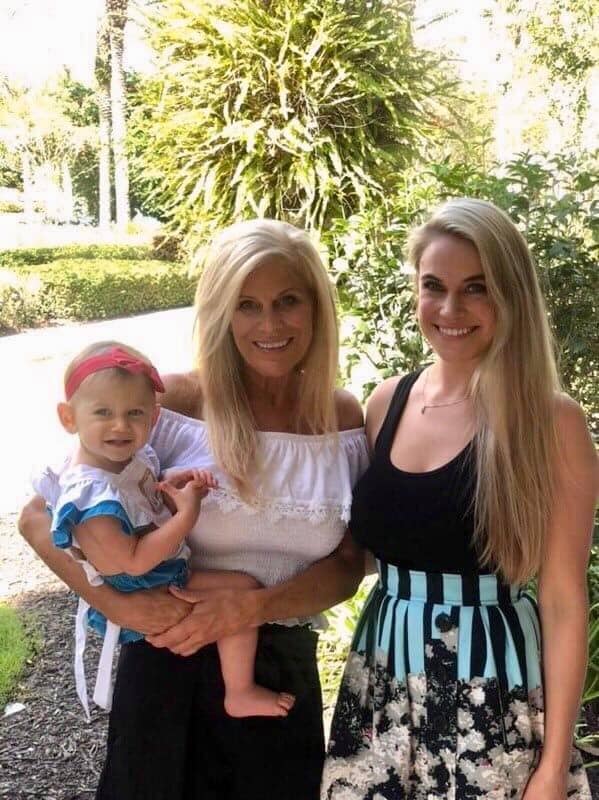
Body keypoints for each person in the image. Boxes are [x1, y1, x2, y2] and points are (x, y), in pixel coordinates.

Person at [19, 218, 369, 800]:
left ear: (316, 308)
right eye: (247, 305)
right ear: (221, 313)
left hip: (278, 674)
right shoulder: (174, 402)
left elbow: (348, 565)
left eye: (287, 301)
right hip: (168, 661)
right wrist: (117, 606)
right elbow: (39, 516)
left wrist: (251, 607)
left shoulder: (340, 416)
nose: (270, 324)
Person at [322, 198, 597, 800]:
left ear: (511, 296)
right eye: (434, 286)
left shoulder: (550, 423)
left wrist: (554, 765)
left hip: (490, 690)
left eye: (477, 288)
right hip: (384, 678)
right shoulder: (386, 403)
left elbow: (562, 601)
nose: (450, 310)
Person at [33, 340, 295, 721]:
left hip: (158, 572)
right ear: (68, 417)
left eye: (134, 413)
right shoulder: (89, 496)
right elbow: (134, 561)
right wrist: (186, 516)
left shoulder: (126, 458)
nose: (120, 425)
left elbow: (145, 492)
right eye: (103, 412)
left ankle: (234, 692)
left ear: (154, 417)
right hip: (144, 587)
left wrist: (174, 484)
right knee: (241, 595)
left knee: (242, 591)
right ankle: (238, 691)